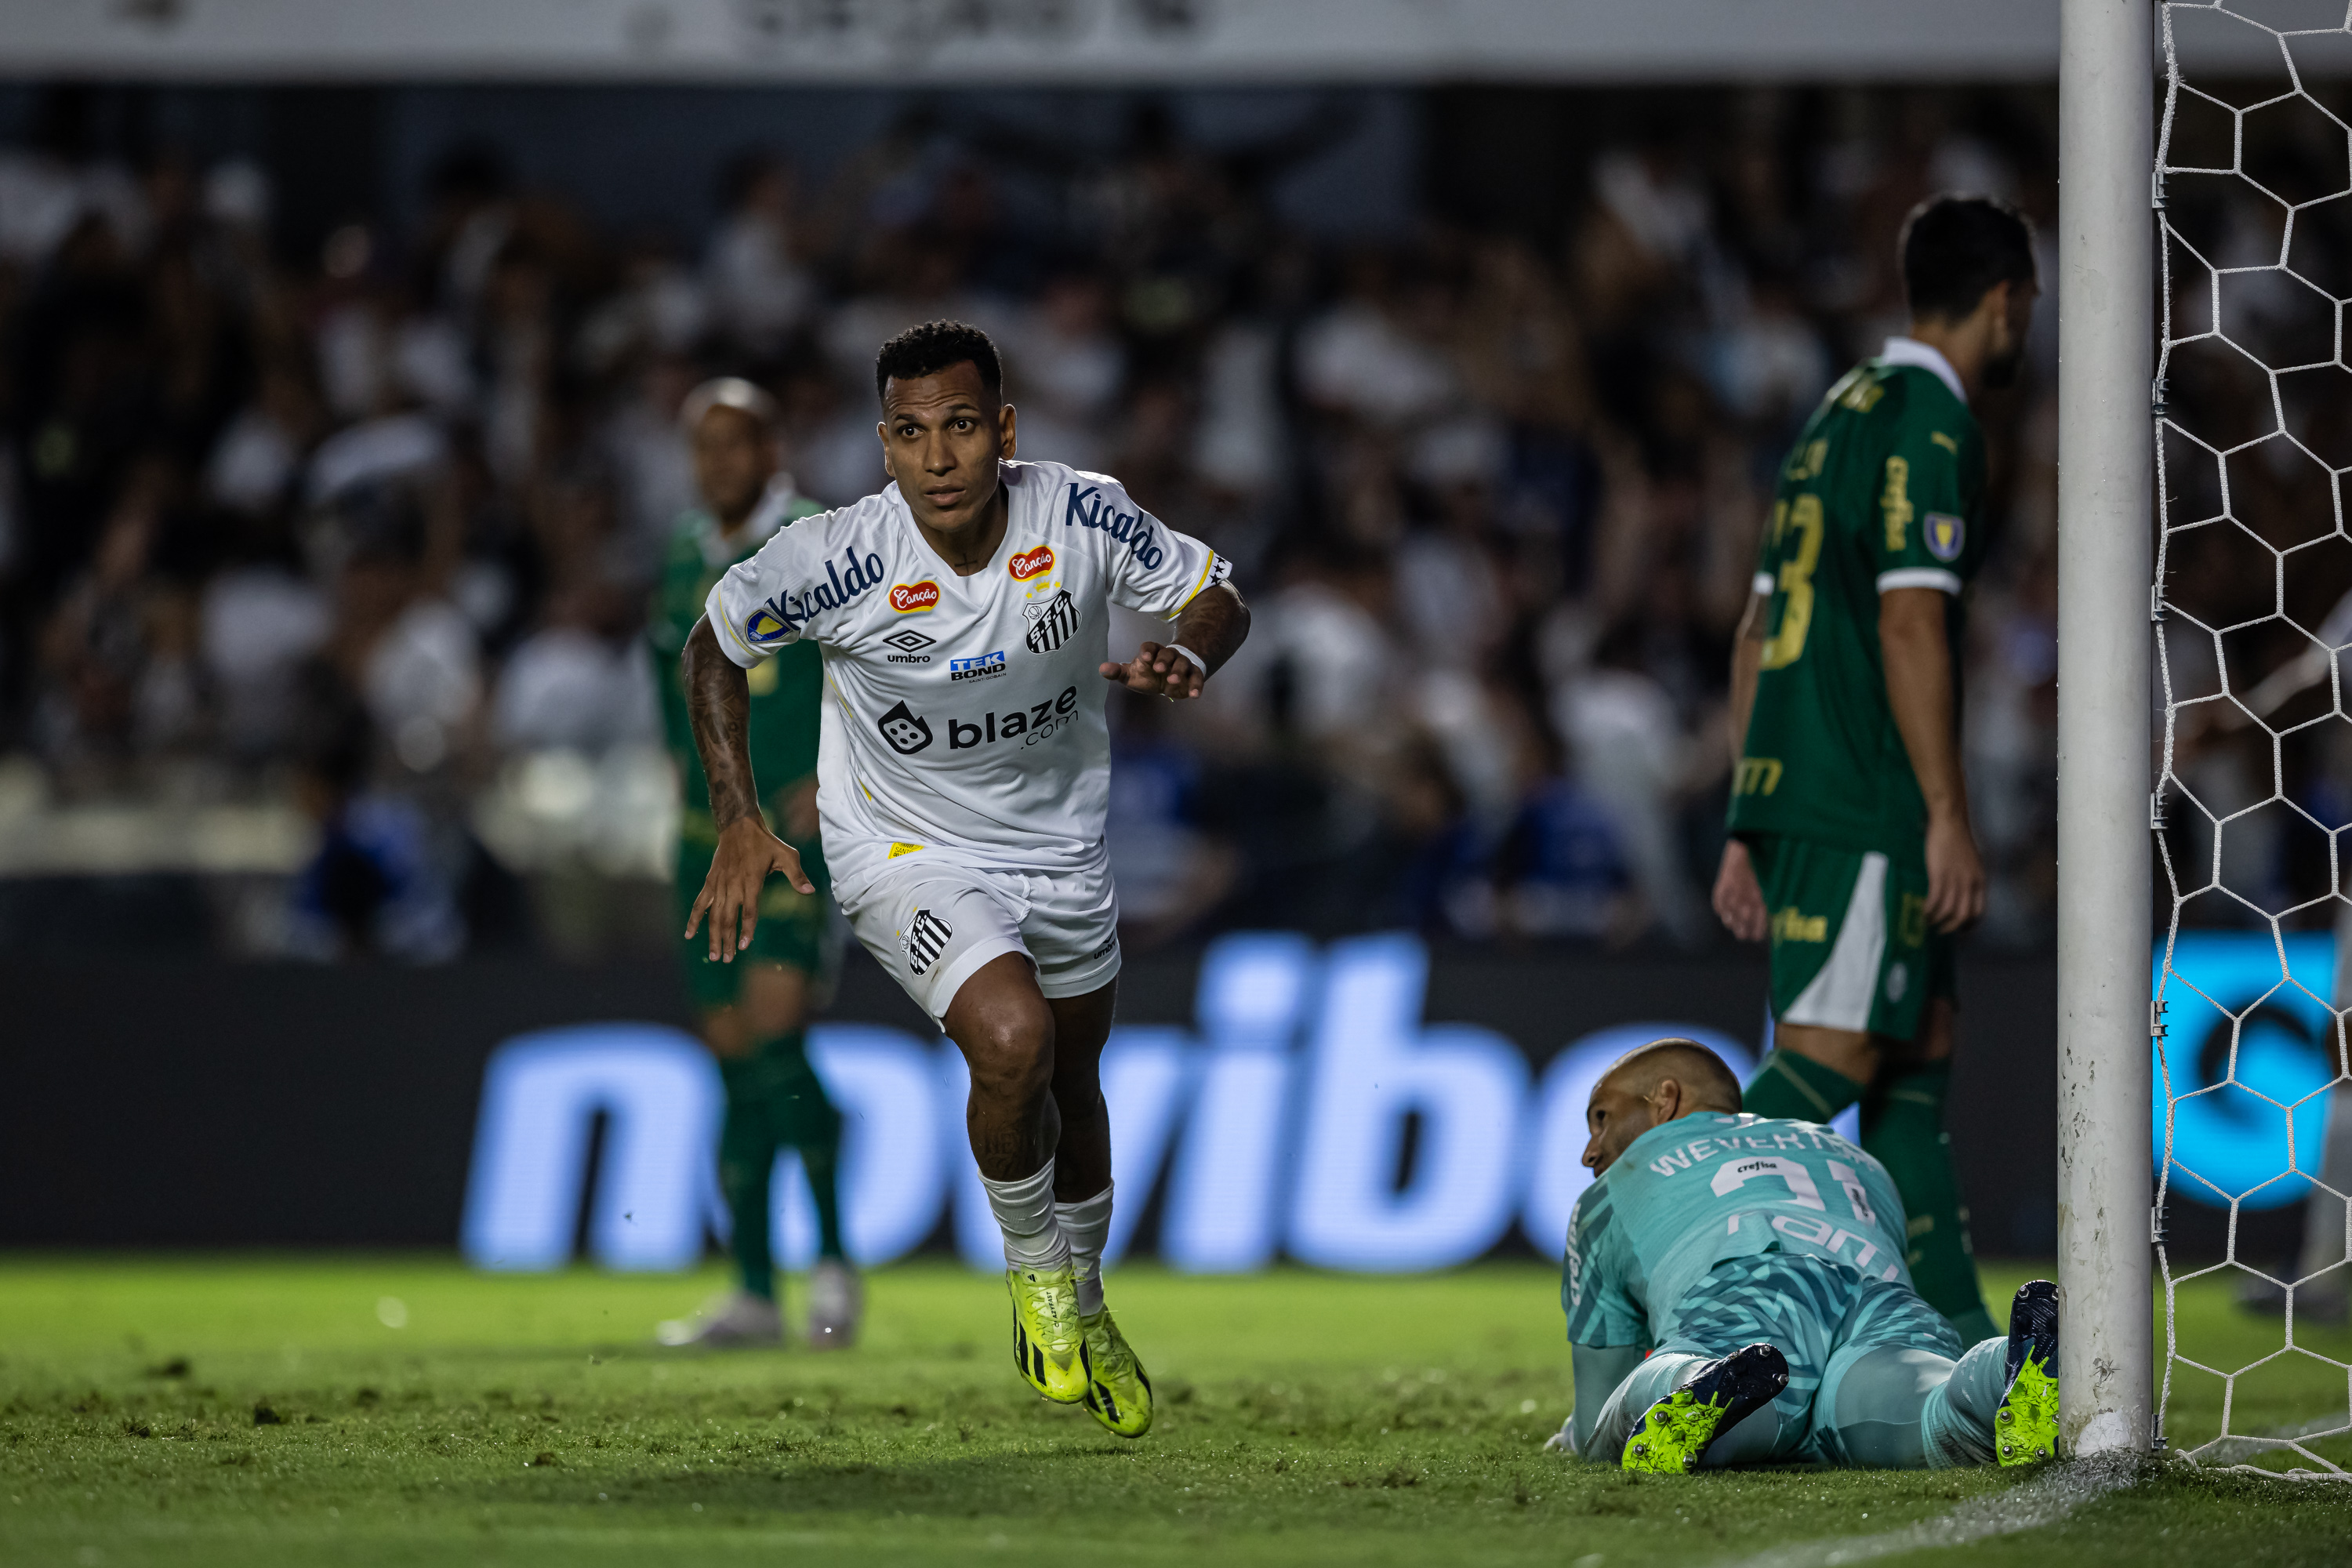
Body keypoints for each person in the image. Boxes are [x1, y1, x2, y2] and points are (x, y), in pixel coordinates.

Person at [680, 321, 1250, 1437]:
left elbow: (1214, 586)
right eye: (908, 433)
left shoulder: (1080, 511)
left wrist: (1192, 650)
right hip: (904, 849)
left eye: (957, 428)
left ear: (1004, 431)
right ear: (883, 446)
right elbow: (715, 643)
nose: (936, 458)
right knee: (1013, 1039)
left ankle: (1086, 1307)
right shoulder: (840, 557)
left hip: (1061, 849)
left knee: (1075, 1086)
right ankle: (1036, 1279)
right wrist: (739, 817)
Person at [1713, 194, 2041, 1343]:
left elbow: (1755, 634)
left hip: (1808, 785)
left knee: (1915, 1056)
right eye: (2029, 308)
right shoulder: (1933, 428)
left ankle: (1958, 1341)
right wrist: (1948, 812)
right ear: (2007, 299)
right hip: (1868, 796)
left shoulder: (1833, 416)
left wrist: (1749, 813)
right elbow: (1910, 626)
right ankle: (1638, 1277)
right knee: (1832, 1058)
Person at [1545, 1038, 2059, 1472]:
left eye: (1603, 1119)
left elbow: (1595, 1420)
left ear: (1665, 1100)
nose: (1591, 1151)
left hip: (1748, 1291)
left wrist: (1584, 1430)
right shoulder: (1854, 1156)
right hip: (1879, 1298)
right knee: (1924, 1401)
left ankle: (1694, 1380)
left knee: (1639, 1410)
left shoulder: (1610, 1192)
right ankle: (2002, 1371)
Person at [646, 378, 860, 1350]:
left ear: (772, 448)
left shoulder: (820, 541)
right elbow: (670, 690)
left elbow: (881, 657)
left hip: (791, 835)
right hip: (703, 838)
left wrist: (842, 770)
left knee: (775, 1036)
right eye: (705, 447)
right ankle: (753, 1289)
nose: (718, 463)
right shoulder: (686, 552)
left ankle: (832, 1259)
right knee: (733, 1053)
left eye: (736, 444)